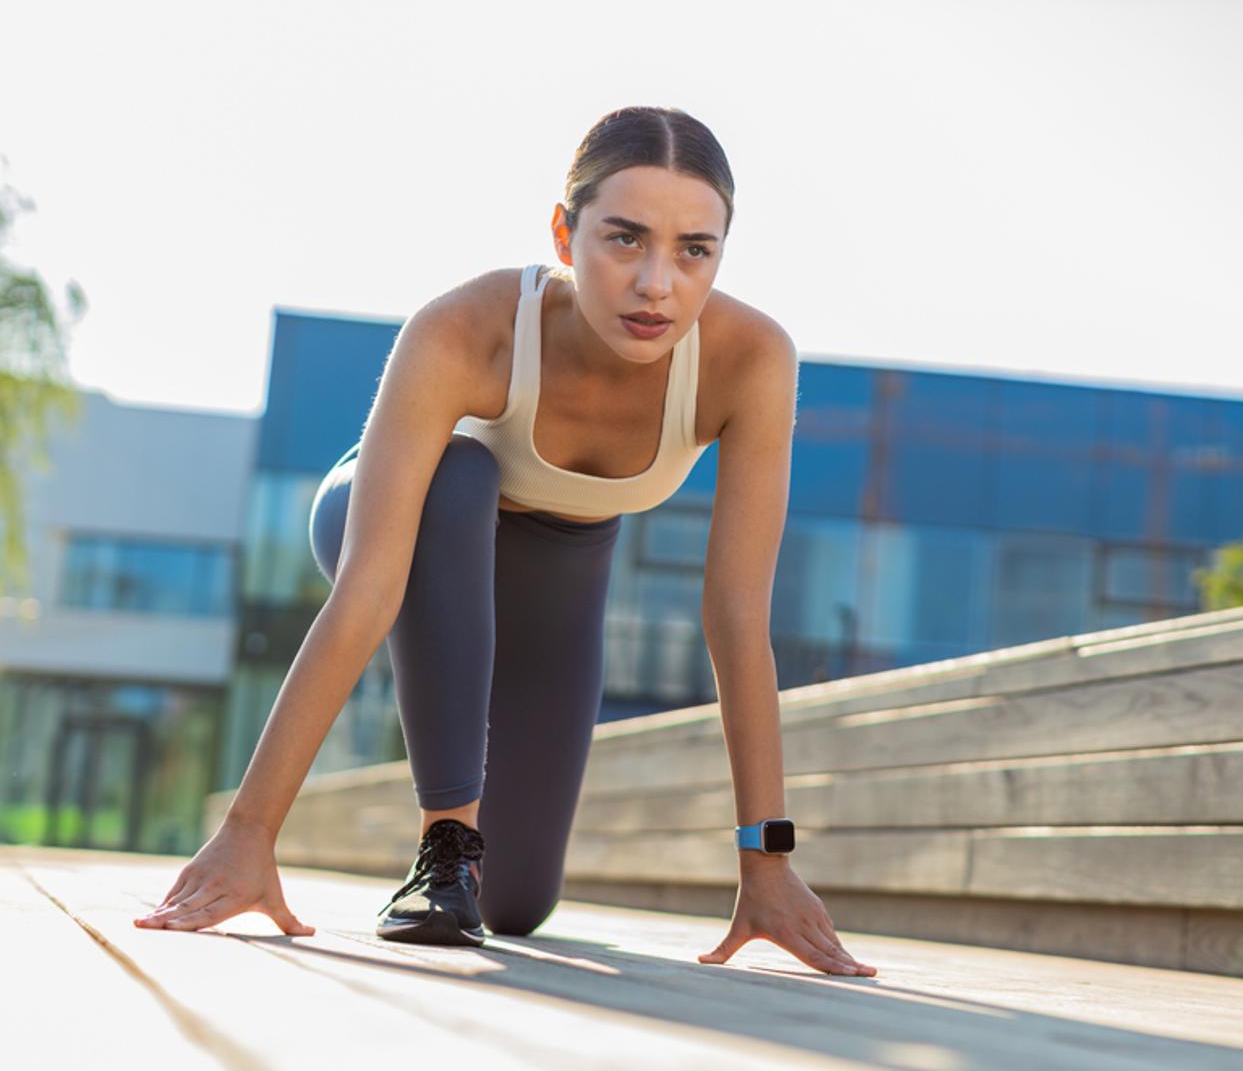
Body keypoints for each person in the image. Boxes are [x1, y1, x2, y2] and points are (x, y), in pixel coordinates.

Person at [133, 105, 876, 978]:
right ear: (565, 233)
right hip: (403, 525)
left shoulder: (751, 359)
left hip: (557, 578)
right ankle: (444, 845)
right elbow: (369, 590)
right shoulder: (469, 328)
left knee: (516, 906)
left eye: (693, 251)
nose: (657, 284)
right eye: (625, 239)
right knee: (462, 475)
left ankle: (469, 868)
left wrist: (768, 863)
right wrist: (249, 832)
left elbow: (737, 617)